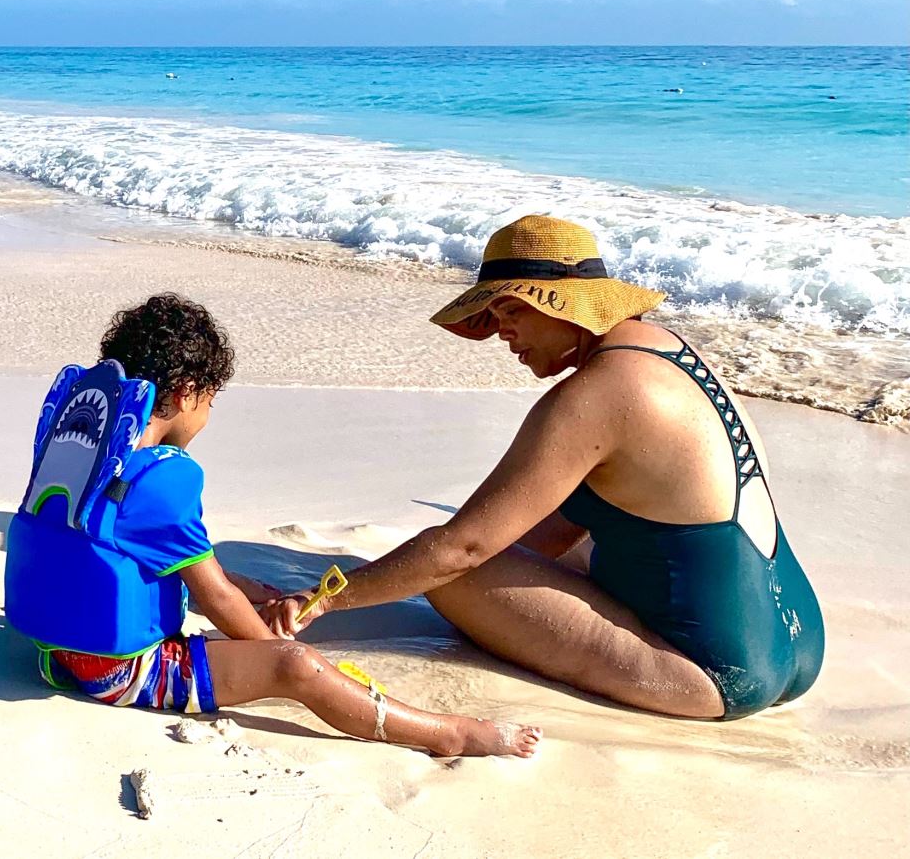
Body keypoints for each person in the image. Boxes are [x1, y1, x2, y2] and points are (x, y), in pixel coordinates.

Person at [262, 216, 824, 720]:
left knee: (455, 570)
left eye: (510, 310)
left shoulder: (595, 394)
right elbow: (556, 528)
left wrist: (323, 599)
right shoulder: (666, 351)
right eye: (491, 315)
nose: (502, 333)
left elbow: (465, 549)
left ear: (563, 303)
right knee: (512, 540)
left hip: (716, 675)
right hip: (796, 638)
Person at [4, 293, 540, 757]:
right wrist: (270, 651)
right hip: (122, 674)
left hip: (59, 654)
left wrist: (254, 591)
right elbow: (213, 597)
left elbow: (162, 559)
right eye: (210, 402)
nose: (206, 416)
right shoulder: (163, 480)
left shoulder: (82, 453)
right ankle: (449, 734)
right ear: (189, 392)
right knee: (298, 667)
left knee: (251, 615)